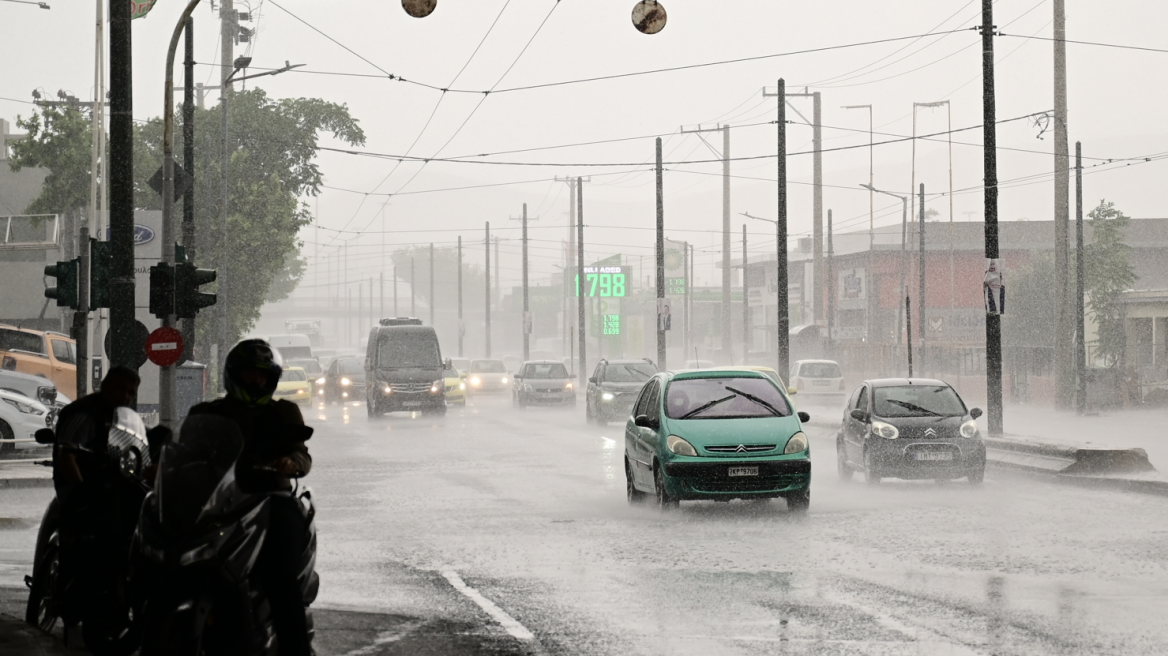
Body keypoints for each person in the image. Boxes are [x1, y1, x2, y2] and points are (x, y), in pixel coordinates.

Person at [187, 339, 313, 656]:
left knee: (280, 579)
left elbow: (301, 454)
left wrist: (290, 463)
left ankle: (295, 650)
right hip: (218, 502)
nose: (256, 380)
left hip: (270, 499)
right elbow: (183, 451)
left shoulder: (284, 412)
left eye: (261, 375)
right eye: (248, 373)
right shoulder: (207, 412)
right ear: (233, 374)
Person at [52, 365, 141, 624]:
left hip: (112, 487)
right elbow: (67, 457)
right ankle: (69, 596)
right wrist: (81, 492)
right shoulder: (84, 413)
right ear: (105, 385)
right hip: (82, 488)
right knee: (89, 536)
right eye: (119, 389)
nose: (125, 396)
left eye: (131, 393)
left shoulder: (123, 417)